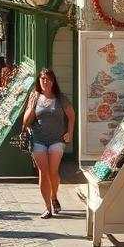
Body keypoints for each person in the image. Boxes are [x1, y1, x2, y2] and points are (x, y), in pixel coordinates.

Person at [22, 68, 75, 219]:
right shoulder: (34, 96)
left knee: (53, 171)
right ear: (39, 80)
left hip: (56, 139)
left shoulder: (60, 98)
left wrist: (69, 133)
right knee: (43, 173)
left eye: (49, 79)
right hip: (38, 139)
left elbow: (71, 116)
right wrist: (31, 107)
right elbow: (25, 121)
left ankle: (54, 196)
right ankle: (47, 207)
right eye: (43, 79)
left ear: (53, 81)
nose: (46, 81)